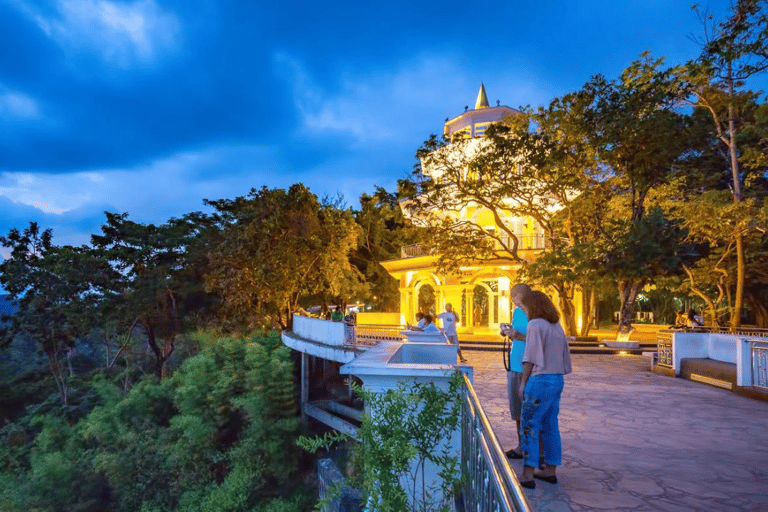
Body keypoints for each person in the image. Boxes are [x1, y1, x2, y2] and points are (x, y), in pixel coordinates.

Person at [517, 290, 572, 489]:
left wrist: (523, 383)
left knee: (529, 426)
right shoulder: (556, 326)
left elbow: (530, 357)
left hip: (539, 381)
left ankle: (527, 474)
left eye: (524, 307)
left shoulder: (535, 325)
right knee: (550, 425)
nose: (523, 310)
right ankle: (550, 469)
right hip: (556, 380)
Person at [500, 283, 531, 460]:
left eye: (519, 303)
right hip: (514, 365)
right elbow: (517, 332)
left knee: (532, 411)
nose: (518, 307)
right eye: (515, 304)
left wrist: (518, 336)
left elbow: (537, 337)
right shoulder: (517, 313)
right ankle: (521, 447)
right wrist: (508, 332)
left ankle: (536, 452)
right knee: (517, 411)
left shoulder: (537, 315)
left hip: (530, 366)